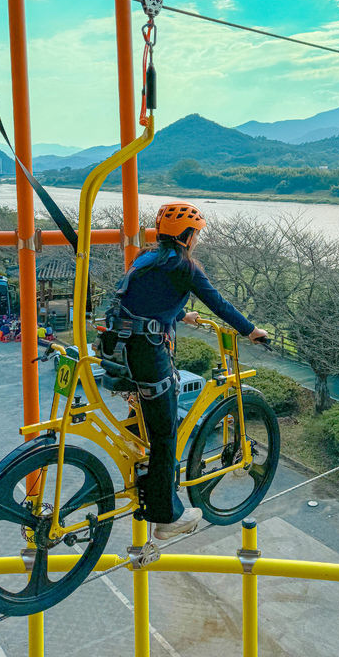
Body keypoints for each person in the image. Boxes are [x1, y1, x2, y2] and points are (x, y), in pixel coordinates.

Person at [106, 201, 268, 541]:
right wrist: (251, 331)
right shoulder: (185, 267)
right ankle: (166, 517)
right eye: (196, 234)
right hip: (148, 355)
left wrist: (181, 316)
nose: (197, 240)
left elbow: (144, 302)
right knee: (166, 435)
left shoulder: (145, 258)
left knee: (153, 424)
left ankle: (149, 479)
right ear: (187, 235)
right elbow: (219, 304)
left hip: (119, 350)